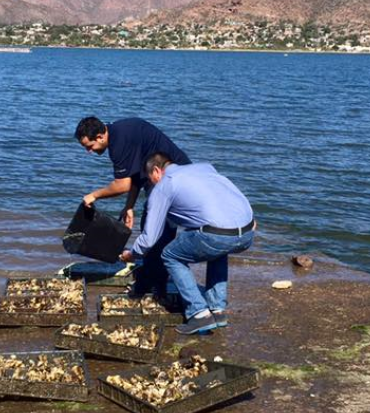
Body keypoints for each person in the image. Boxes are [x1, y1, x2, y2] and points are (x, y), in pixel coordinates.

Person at [120, 153, 256, 334]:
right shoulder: (204, 167)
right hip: (247, 231)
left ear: (156, 171)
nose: (151, 184)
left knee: (170, 255)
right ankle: (217, 309)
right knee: (219, 248)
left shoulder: (164, 185)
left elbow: (149, 239)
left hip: (218, 235)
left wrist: (132, 254)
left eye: (150, 179)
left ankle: (199, 314)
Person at [75, 116, 190, 297]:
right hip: (164, 179)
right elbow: (135, 174)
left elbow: (123, 185)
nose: (88, 152)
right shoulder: (118, 134)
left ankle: (155, 285)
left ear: (99, 137)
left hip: (174, 179)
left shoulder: (118, 144)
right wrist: (129, 205)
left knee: (156, 233)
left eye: (89, 146)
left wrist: (93, 195)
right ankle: (155, 280)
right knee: (154, 231)